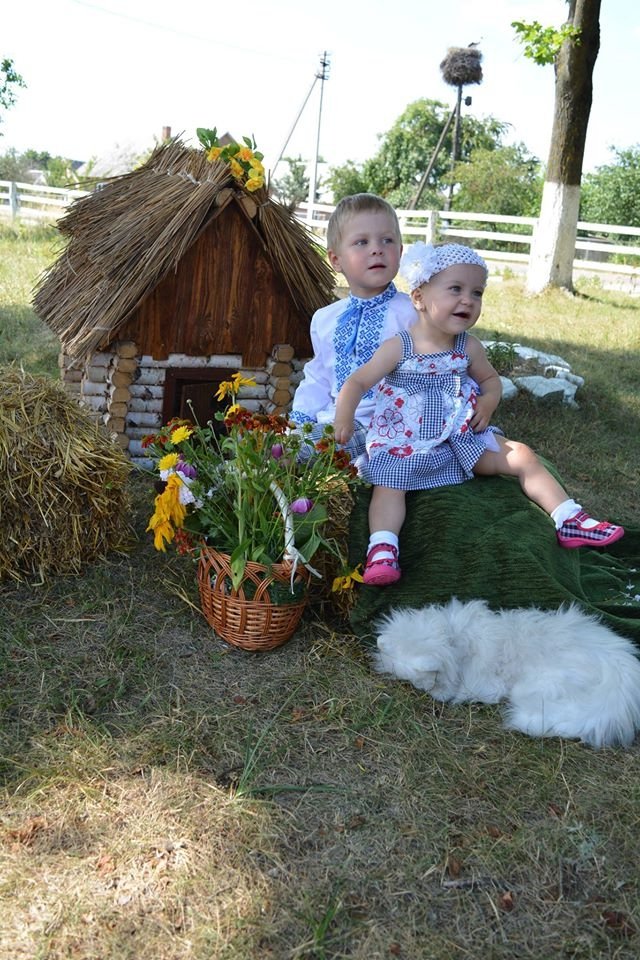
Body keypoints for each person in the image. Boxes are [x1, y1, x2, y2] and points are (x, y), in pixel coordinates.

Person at [334, 241, 625, 586]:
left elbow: (490, 380)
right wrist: (344, 418)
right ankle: (383, 548)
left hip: (460, 441)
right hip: (405, 443)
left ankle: (568, 517)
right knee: (389, 485)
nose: (468, 300)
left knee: (521, 455)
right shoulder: (400, 346)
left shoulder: (468, 346)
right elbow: (357, 381)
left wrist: (487, 402)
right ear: (419, 298)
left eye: (477, 293)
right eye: (455, 289)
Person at [289, 193, 416, 467]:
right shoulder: (325, 319)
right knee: (270, 442)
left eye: (387, 240)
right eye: (362, 242)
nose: (377, 249)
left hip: (382, 425)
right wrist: (299, 419)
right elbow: (319, 377)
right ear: (336, 260)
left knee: (300, 454)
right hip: (333, 420)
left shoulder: (412, 314)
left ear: (400, 251)